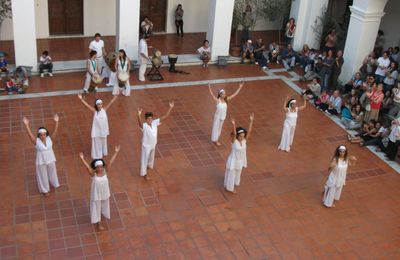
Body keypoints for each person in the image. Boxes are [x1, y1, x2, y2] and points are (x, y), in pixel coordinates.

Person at [79, 145, 120, 231]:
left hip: (104, 192)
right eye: (98, 167)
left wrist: (116, 152)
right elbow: (87, 167)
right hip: (96, 194)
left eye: (101, 166)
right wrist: (82, 159)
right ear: (95, 168)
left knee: (105, 204)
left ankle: (103, 214)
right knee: (97, 207)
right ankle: (98, 223)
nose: (100, 168)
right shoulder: (93, 174)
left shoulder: (105, 171)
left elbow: (111, 162)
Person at [22, 114, 60, 196]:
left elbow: (55, 131)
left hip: (50, 159)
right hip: (41, 161)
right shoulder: (36, 141)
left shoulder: (50, 139)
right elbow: (29, 135)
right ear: (38, 135)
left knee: (52, 172)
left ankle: (54, 183)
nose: (43, 136)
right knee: (43, 175)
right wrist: (27, 125)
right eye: (41, 135)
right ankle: (45, 190)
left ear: (46, 134)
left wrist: (56, 122)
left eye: (44, 134)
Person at [137, 101, 174, 180]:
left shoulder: (155, 122)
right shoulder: (144, 126)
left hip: (153, 145)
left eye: (151, 118)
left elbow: (165, 116)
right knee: (144, 160)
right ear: (146, 119)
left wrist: (170, 107)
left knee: (150, 160)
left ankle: (148, 169)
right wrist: (138, 114)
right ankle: (144, 174)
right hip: (146, 146)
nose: (150, 120)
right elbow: (139, 123)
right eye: (148, 119)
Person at [78, 94, 118, 159]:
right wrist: (81, 99)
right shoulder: (95, 111)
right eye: (98, 104)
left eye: (101, 104)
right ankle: (98, 154)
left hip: (103, 130)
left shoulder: (104, 109)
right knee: (97, 142)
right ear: (96, 105)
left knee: (103, 141)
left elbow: (111, 102)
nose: (100, 105)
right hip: (97, 131)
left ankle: (103, 152)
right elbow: (87, 106)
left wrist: (115, 97)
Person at [224, 113, 254, 194]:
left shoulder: (244, 141)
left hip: (240, 160)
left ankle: (233, 183)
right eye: (241, 136)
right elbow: (234, 133)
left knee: (238, 173)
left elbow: (250, 131)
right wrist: (234, 124)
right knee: (232, 173)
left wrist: (251, 121)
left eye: (243, 136)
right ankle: (230, 188)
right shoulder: (234, 142)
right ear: (237, 136)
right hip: (234, 160)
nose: (242, 137)